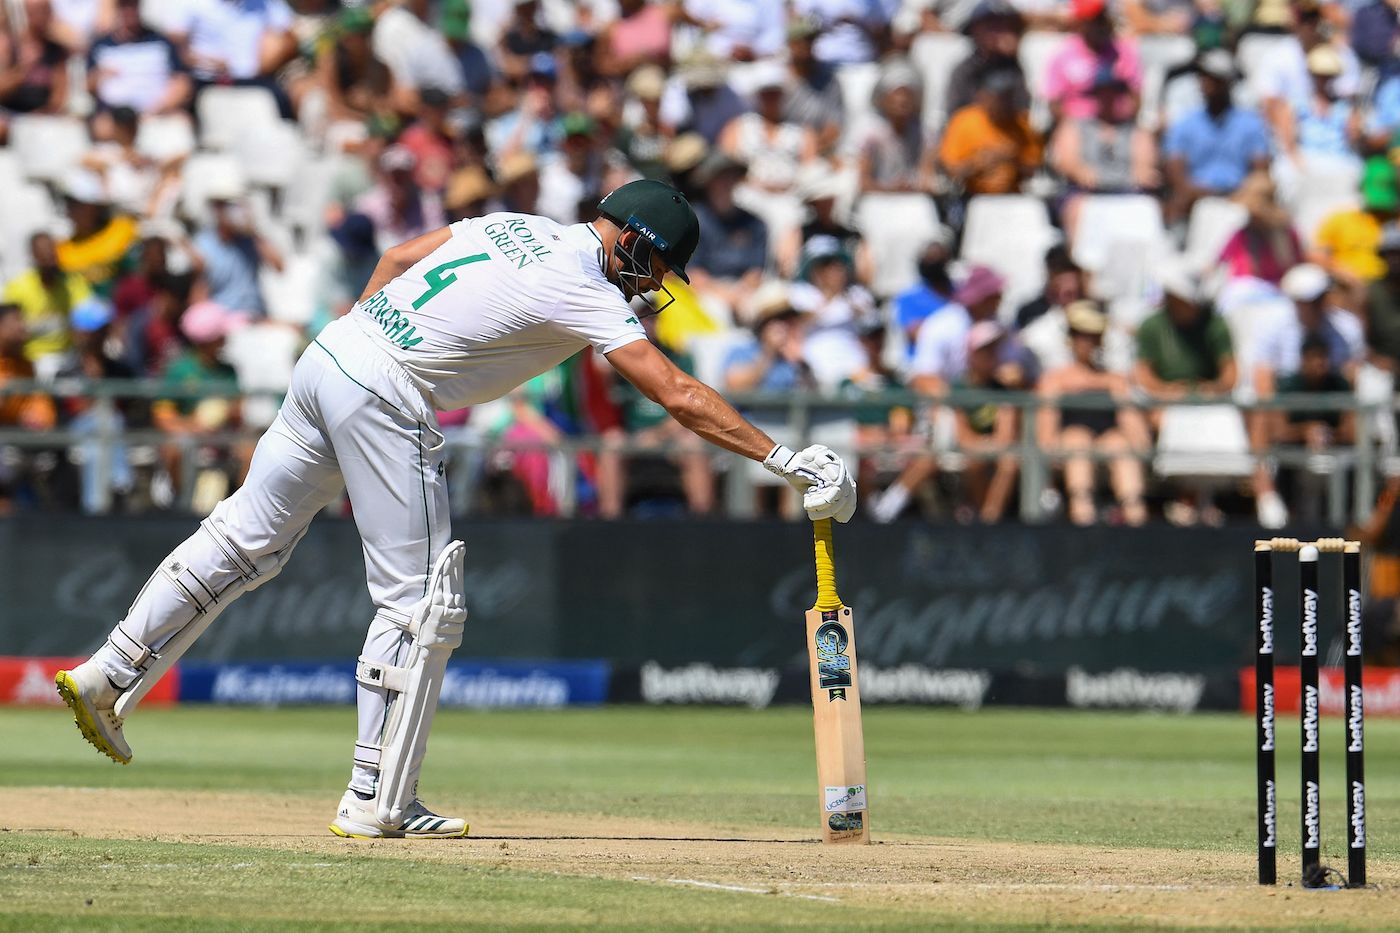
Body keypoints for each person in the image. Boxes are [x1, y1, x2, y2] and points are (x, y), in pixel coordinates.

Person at [55, 180, 857, 840]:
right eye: (655, 270)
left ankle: (105, 675)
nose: (652, 288)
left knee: (242, 537)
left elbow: (400, 254)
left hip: (333, 354)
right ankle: (378, 800)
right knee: (422, 603)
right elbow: (673, 390)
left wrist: (363, 341)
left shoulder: (516, 224)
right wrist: (785, 459)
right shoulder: (583, 284)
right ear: (632, 244)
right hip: (385, 391)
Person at [1038, 301, 1150, 526]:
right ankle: (1083, 518)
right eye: (1082, 334)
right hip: (1072, 447)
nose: (1089, 341)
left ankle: (1135, 520)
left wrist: (1140, 448)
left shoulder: (1115, 380)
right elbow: (1046, 434)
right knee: (1077, 439)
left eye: (1094, 335)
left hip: (1109, 442)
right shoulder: (1054, 380)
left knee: (1119, 445)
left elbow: (1136, 432)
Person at [1162, 50, 1271, 224]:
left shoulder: (1251, 124)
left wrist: (1238, 197)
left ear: (1229, 82)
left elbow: (1260, 172)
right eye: (1204, 77)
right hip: (1195, 204)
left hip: (1241, 203)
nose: (1207, 83)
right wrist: (1207, 196)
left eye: (1215, 78)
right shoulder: (1184, 124)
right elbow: (1176, 176)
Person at [938, 67, 1042, 197]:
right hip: (972, 196)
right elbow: (950, 171)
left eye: (1008, 97)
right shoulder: (964, 121)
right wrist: (978, 163)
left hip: (1013, 198)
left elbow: (1034, 170)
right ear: (982, 96)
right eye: (999, 97)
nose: (1004, 103)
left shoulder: (1023, 124)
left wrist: (1013, 159)